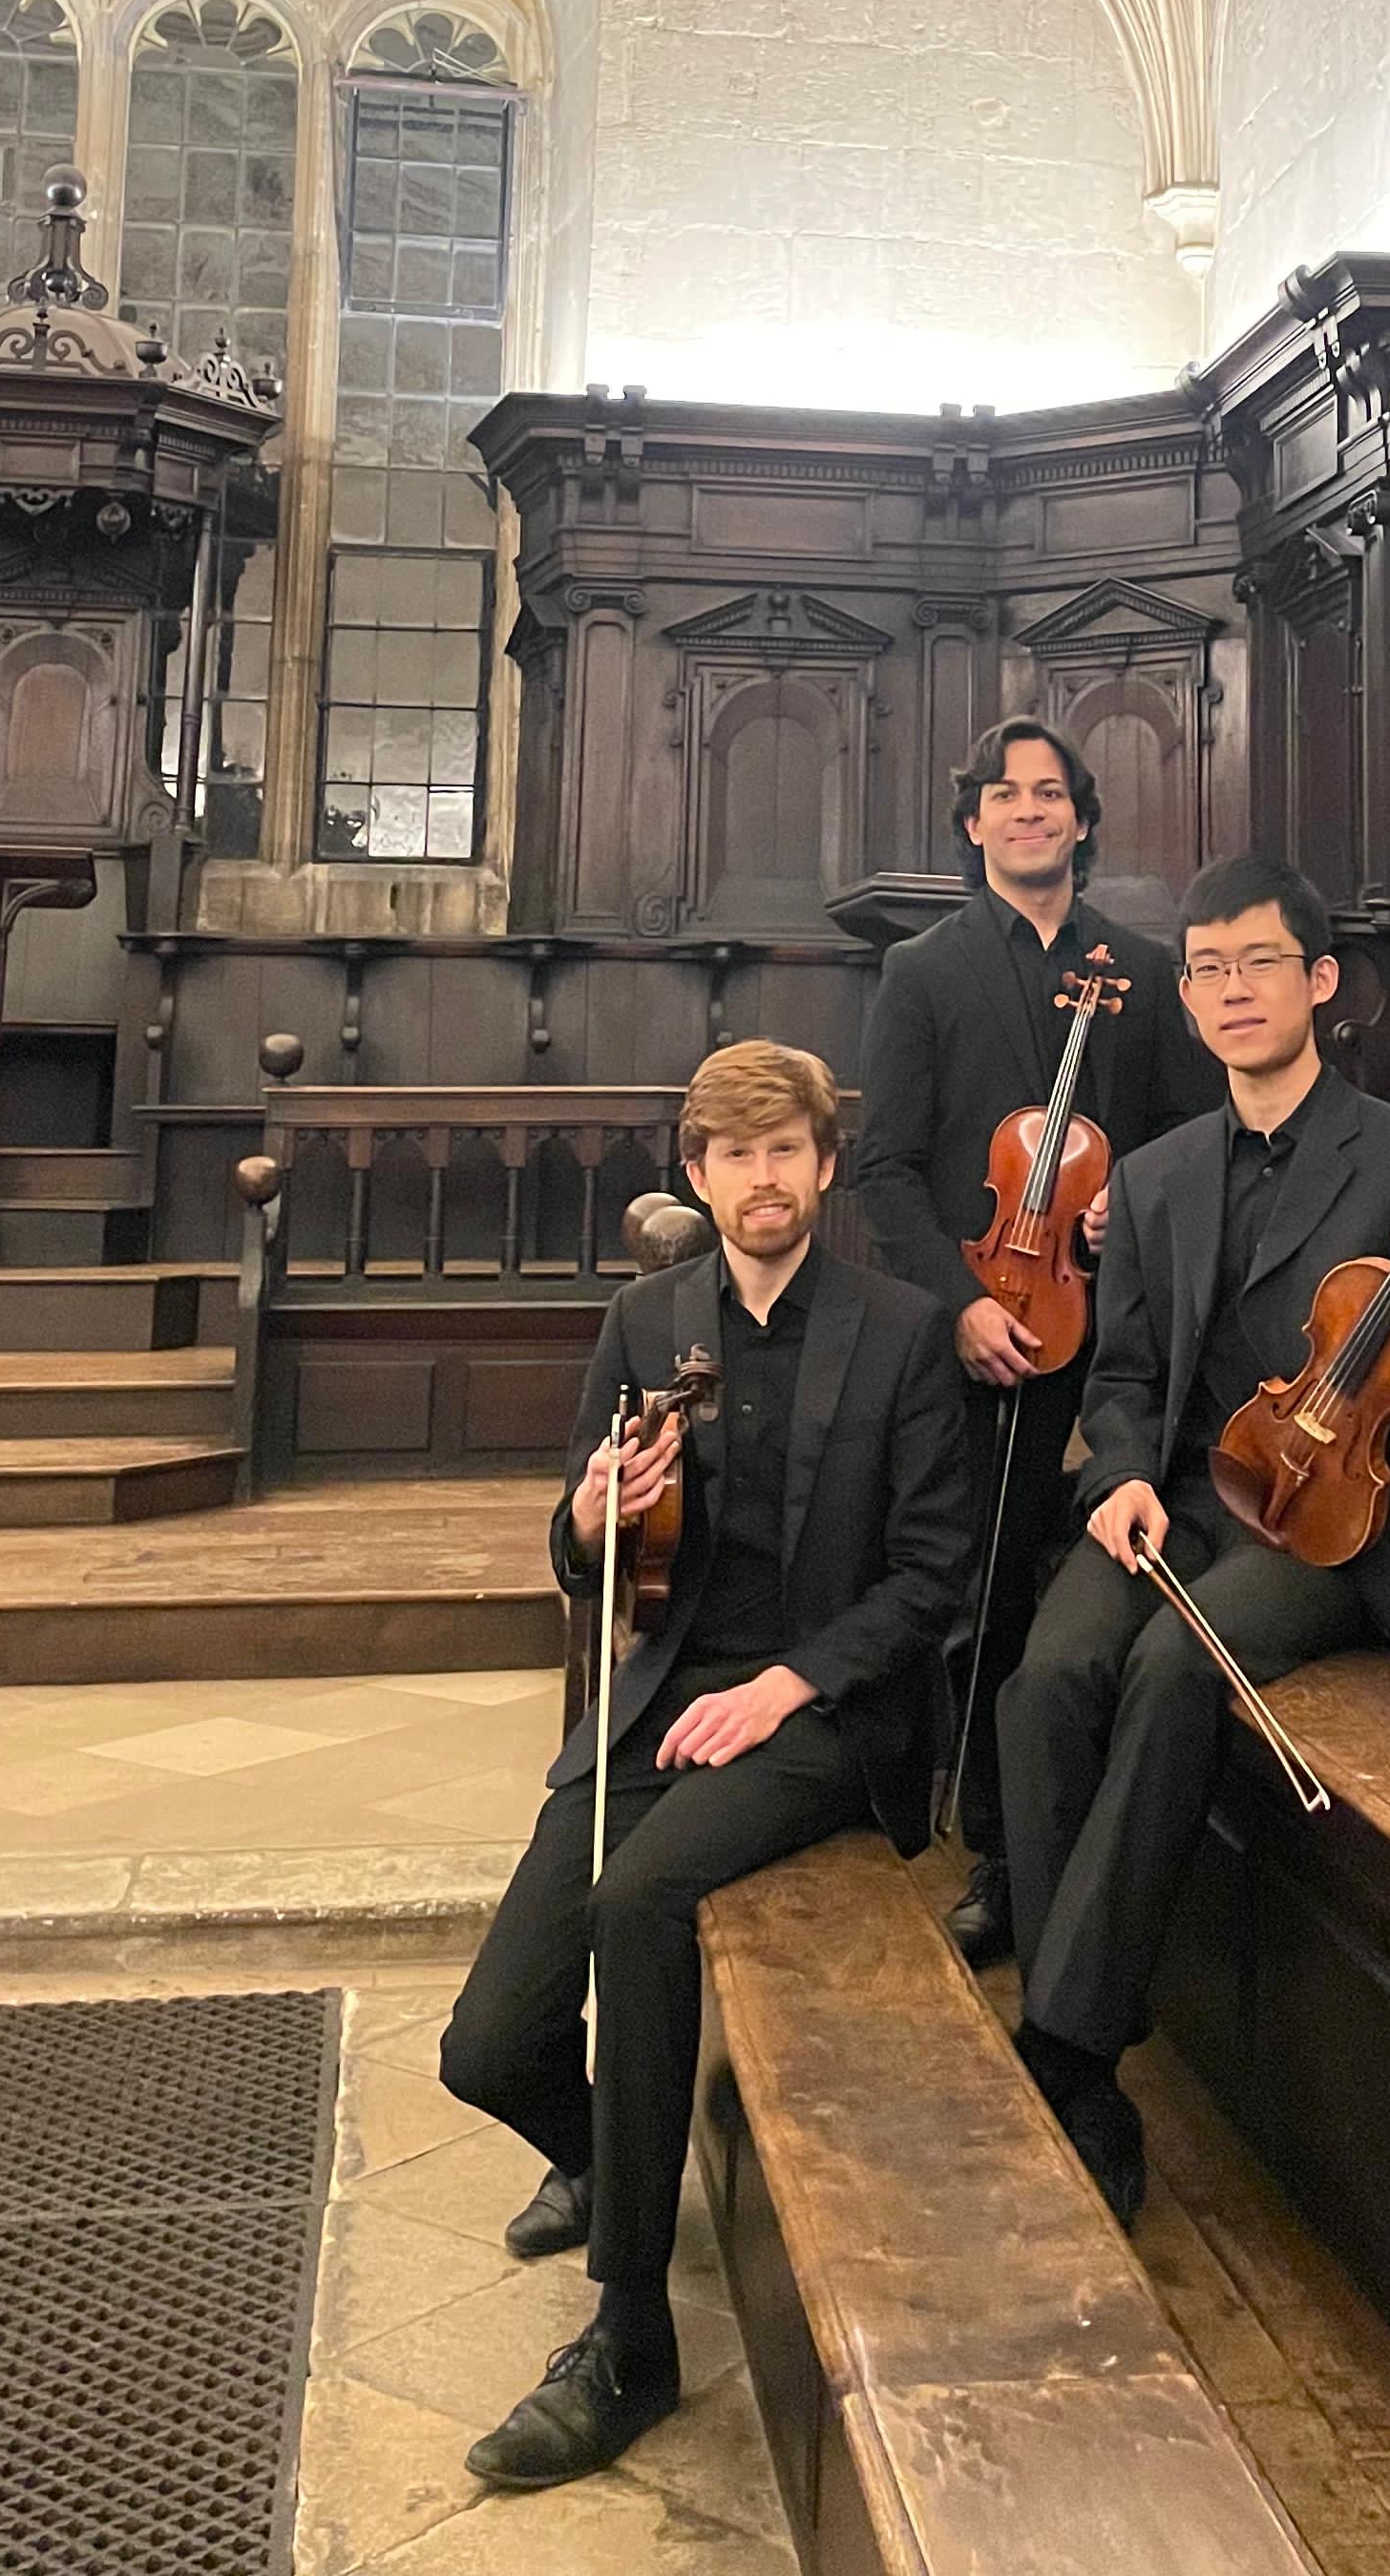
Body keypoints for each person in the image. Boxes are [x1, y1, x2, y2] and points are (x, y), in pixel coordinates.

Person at [438, 1038, 973, 2493]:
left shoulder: (907, 1329)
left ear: (824, 1164)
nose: (761, 1180)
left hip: (825, 1718)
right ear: (698, 1174)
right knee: (482, 2048)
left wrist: (790, 1685)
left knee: (643, 1905)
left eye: (785, 1151)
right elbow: (574, 1548)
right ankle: (614, 2166)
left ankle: (630, 2339)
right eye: (733, 1156)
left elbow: (934, 1579)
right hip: (662, 1707)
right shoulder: (644, 1323)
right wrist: (598, 1511)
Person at [996, 856, 1390, 2225]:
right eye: (1205, 970)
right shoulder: (1149, 1177)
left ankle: (1067, 2045)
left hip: (1336, 1530)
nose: (1229, 992)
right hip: (1186, 1504)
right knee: (1051, 1680)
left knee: (1173, 1674)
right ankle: (1080, 2036)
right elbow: (1126, 1375)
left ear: (1321, 983)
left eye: (1258, 963)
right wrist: (1124, 1477)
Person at [854, 717, 1220, 1966]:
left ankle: (1118, 1829)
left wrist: (1140, 1198)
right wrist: (954, 1307)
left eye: (1050, 794)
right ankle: (998, 1855)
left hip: (1115, 1321)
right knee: (986, 1592)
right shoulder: (926, 970)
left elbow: (1191, 1135)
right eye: (1005, 796)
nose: (1028, 812)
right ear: (975, 824)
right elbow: (887, 1166)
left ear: (1080, 818)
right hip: (983, 1327)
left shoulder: (1142, 963)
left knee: (1105, 1585)